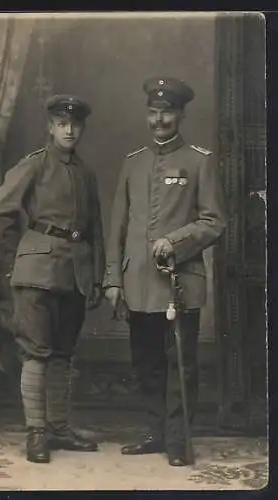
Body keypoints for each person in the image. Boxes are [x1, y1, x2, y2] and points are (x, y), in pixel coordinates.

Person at [104, 77, 227, 466]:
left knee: (180, 364)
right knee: (146, 362)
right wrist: (112, 279)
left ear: (180, 114)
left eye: (167, 112)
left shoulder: (199, 160)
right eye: (153, 112)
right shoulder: (132, 162)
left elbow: (214, 221)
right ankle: (155, 433)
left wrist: (176, 241)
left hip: (179, 284)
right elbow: (117, 227)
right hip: (138, 281)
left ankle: (178, 441)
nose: (159, 120)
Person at [0, 94, 105, 463]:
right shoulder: (33, 166)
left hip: (75, 273)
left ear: (81, 128)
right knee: (36, 351)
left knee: (63, 354)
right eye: (61, 123)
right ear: (50, 127)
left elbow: (95, 230)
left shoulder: (85, 173)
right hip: (36, 273)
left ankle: (59, 427)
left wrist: (97, 276)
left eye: (75, 124)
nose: (69, 130)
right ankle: (36, 432)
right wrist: (17, 258)